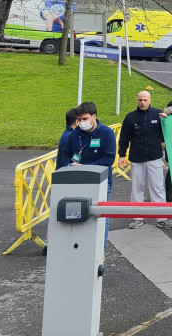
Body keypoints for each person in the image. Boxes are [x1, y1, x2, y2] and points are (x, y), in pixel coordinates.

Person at [56, 102, 116, 243]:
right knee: (80, 214)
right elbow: (66, 156)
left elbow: (109, 158)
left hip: (101, 182)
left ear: (93, 116)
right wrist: (69, 167)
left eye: (85, 119)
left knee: (101, 215)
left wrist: (85, 167)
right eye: (79, 120)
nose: (82, 123)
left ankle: (101, 248)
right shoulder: (74, 135)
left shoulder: (106, 133)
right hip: (78, 181)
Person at [118, 91, 172, 230]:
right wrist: (122, 155)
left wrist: (166, 121)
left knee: (157, 187)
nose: (143, 102)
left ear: (150, 100)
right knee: (137, 188)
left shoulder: (158, 114)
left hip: (154, 157)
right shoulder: (130, 117)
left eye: (145, 100)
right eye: (140, 100)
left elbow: (166, 134)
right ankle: (137, 217)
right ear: (137, 100)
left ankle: (161, 218)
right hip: (137, 158)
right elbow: (124, 138)